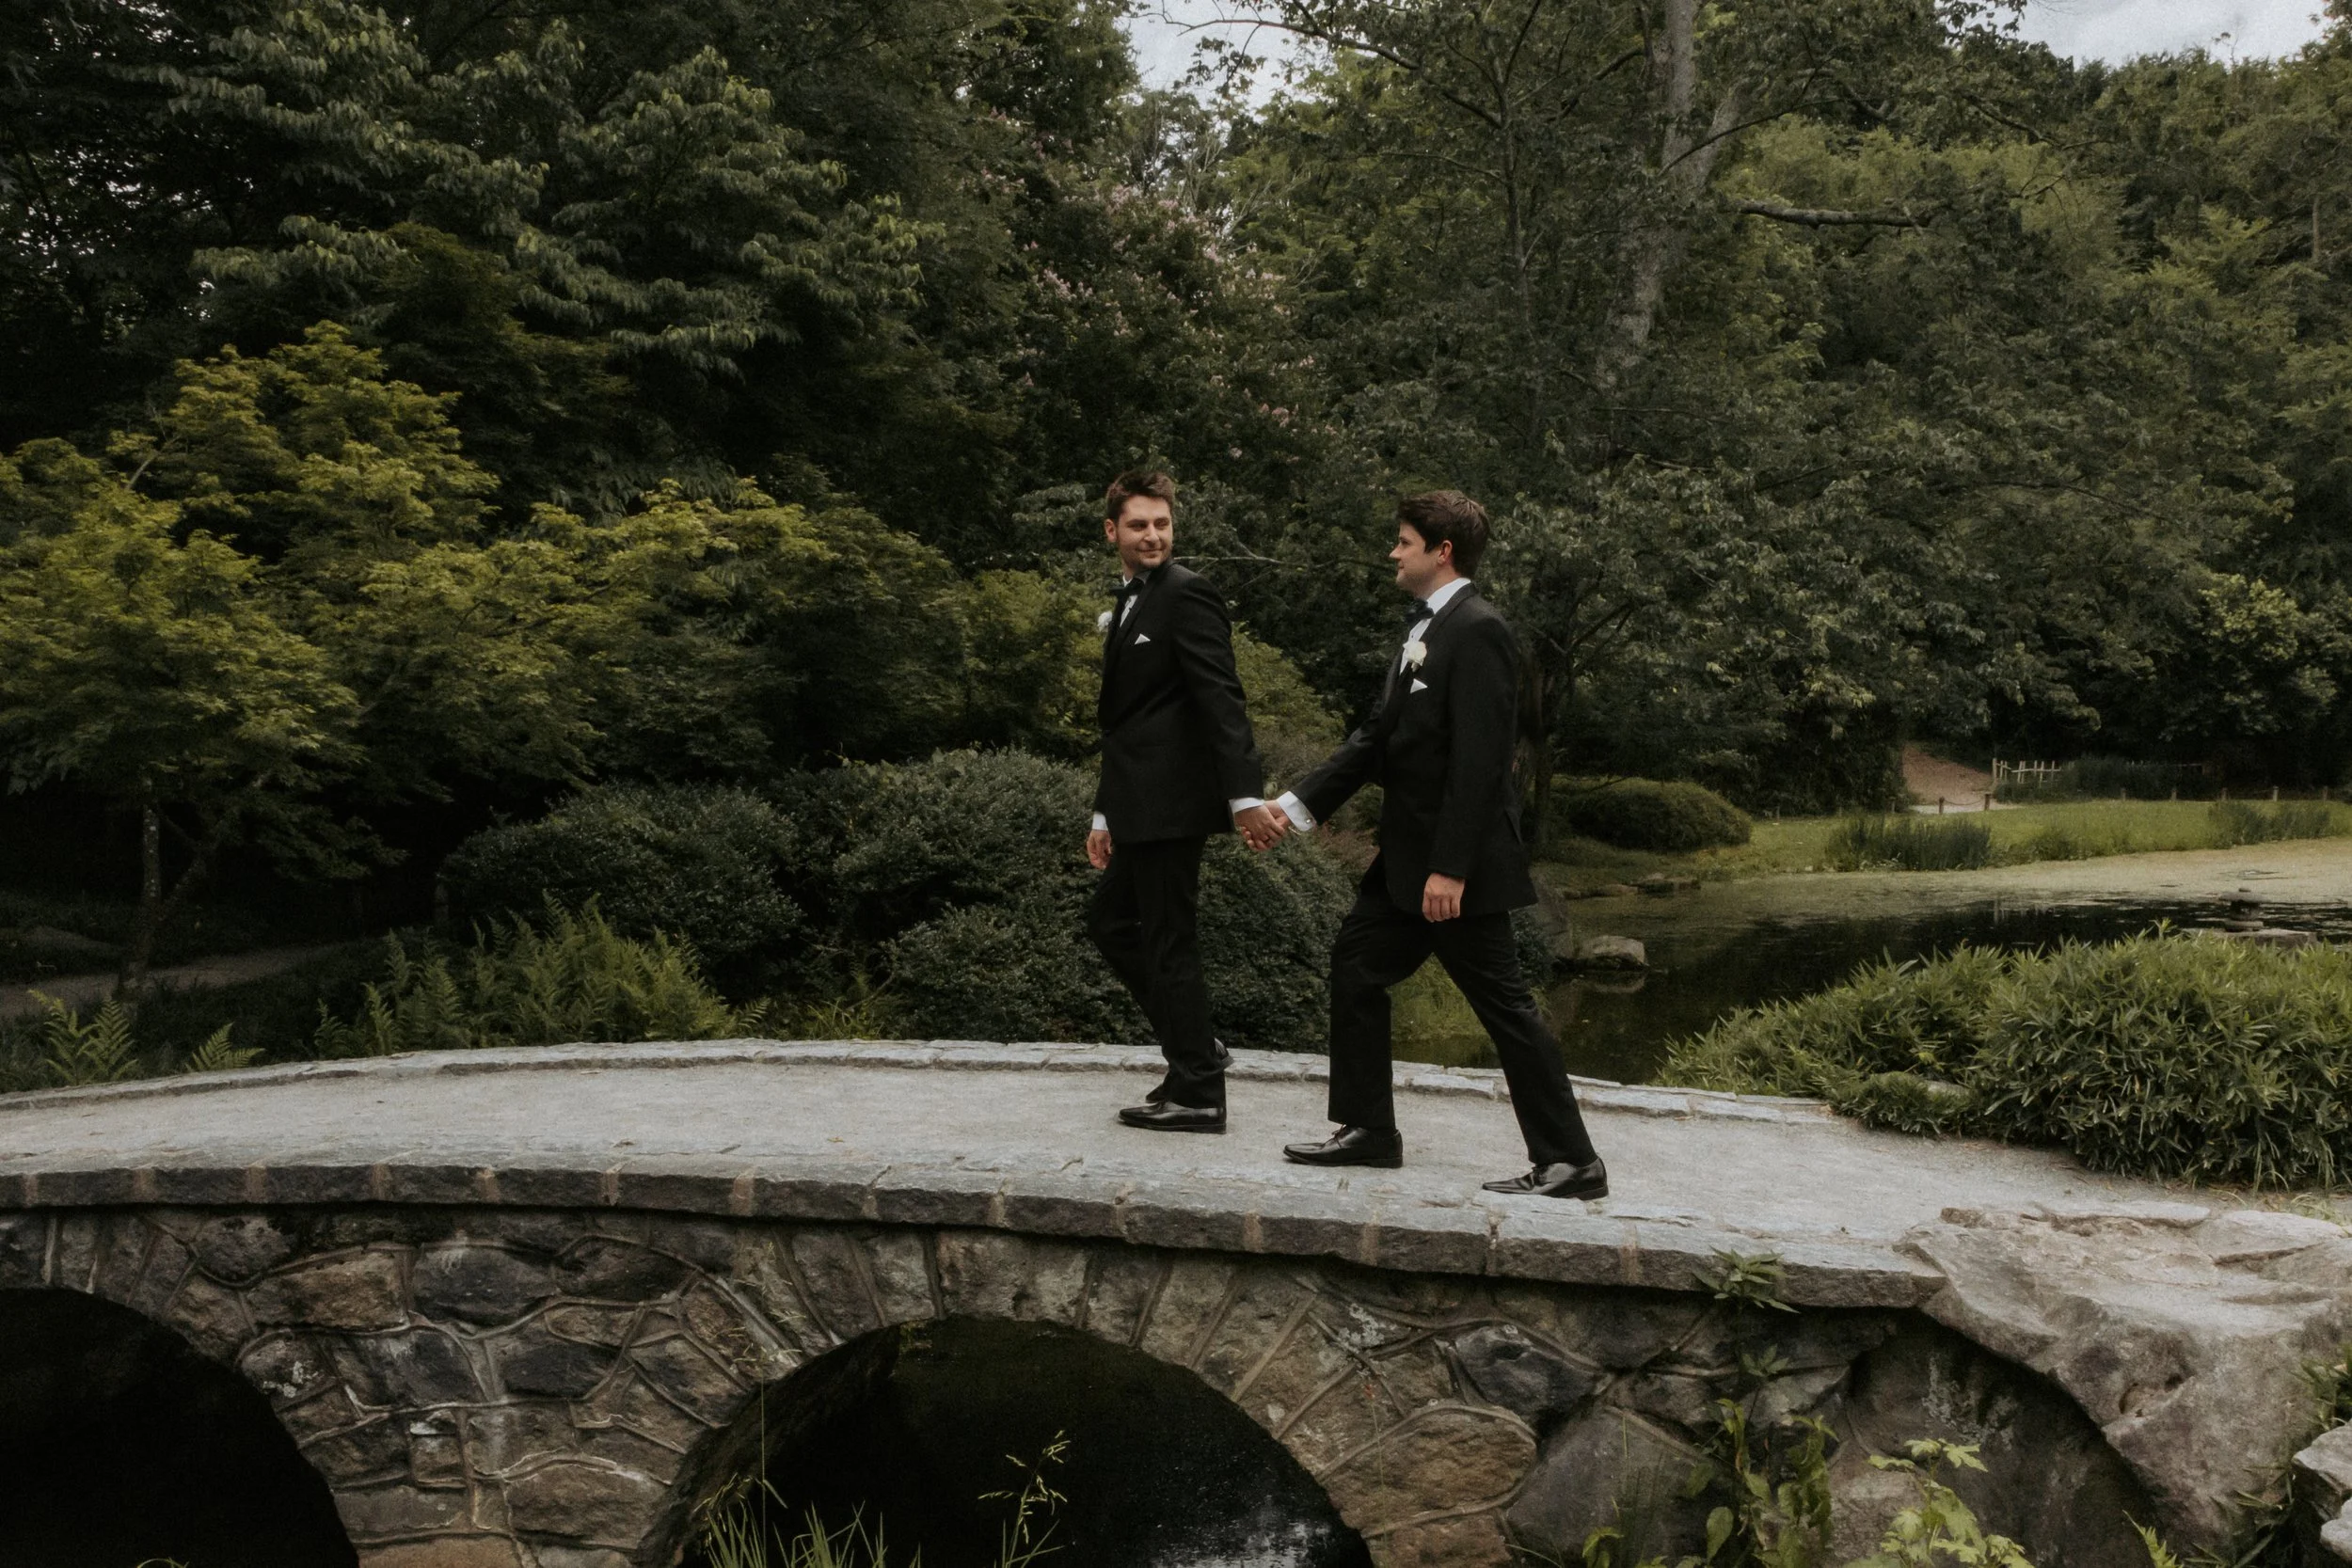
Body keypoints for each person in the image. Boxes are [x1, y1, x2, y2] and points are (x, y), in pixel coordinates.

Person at [1262, 490, 1607, 1198]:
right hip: (1409, 862)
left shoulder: (1477, 629)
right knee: (1357, 964)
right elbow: (1375, 738)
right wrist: (1294, 806)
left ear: (1440, 551)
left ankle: (1573, 1160)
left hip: (1455, 868)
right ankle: (1369, 1130)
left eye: (1403, 541)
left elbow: (1482, 762)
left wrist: (1451, 868)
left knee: (1504, 1006)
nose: (1393, 551)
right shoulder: (1424, 628)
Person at [1088, 469, 1287, 1133]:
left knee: (1170, 941)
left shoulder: (1187, 593)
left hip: (1174, 805)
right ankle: (1197, 1045)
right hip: (1137, 804)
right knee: (1111, 924)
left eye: (1162, 524)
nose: (1153, 535)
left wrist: (1243, 795)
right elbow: (1126, 720)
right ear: (1112, 530)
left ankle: (1199, 1089)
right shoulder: (1131, 599)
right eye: (1140, 524)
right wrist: (1103, 812)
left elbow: (1220, 698)